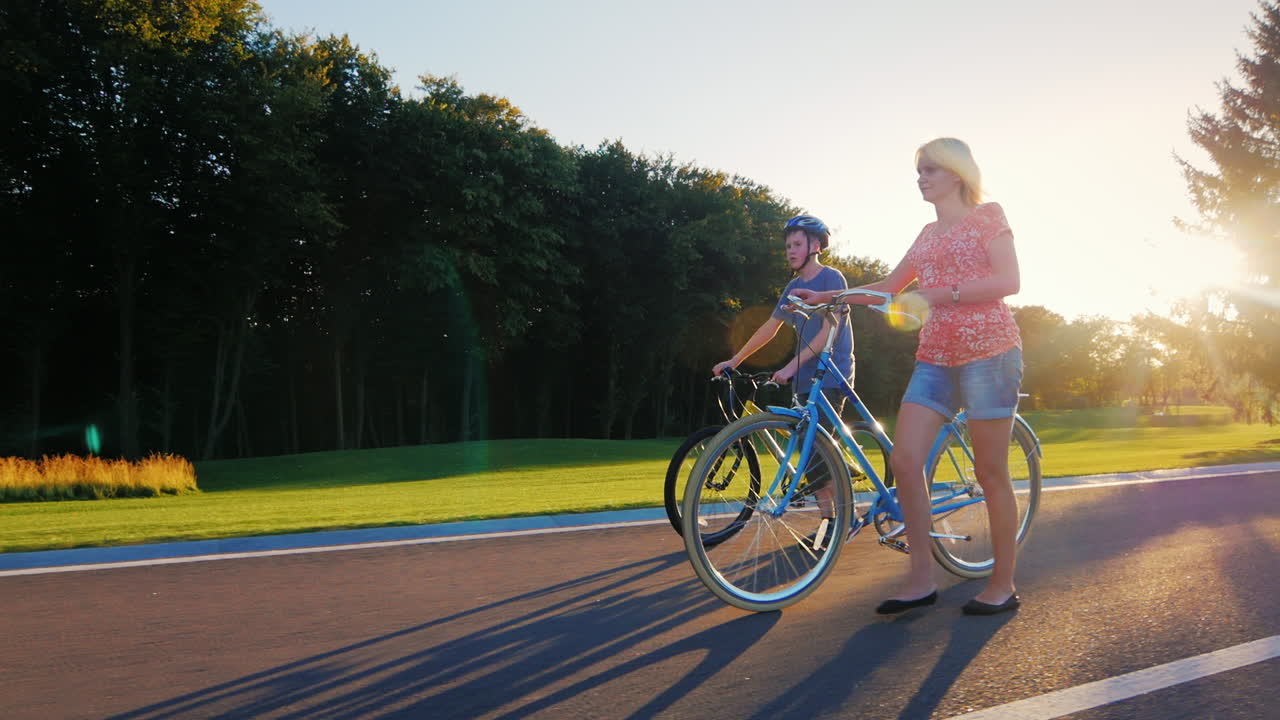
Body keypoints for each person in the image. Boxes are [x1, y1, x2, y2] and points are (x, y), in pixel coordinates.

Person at [792, 137, 1024, 616]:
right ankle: (921, 579)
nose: (921, 178)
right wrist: (832, 297)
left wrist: (940, 294)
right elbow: (888, 287)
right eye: (919, 171)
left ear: (957, 172)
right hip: (935, 357)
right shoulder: (927, 234)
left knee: (990, 472)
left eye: (930, 169)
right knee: (904, 459)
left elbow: (1009, 281)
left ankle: (1002, 584)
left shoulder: (988, 216)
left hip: (990, 354)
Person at [711, 214, 855, 548]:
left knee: (815, 454)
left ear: (815, 245)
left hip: (831, 374)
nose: (790, 250)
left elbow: (828, 330)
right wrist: (735, 360)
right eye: (788, 245)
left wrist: (790, 367)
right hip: (805, 378)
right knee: (809, 454)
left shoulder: (832, 278)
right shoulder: (792, 288)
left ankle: (838, 522)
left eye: (797, 244)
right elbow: (770, 327)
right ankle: (831, 519)